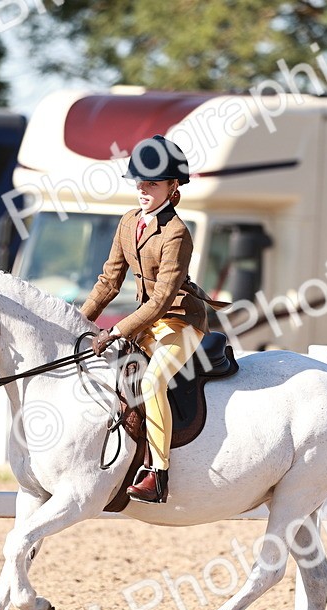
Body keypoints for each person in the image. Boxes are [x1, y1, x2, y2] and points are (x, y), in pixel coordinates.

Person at [82, 135, 210, 504]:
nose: (142, 189)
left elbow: (161, 300)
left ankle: (158, 473)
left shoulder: (177, 233)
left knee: (152, 381)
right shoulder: (127, 223)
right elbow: (109, 281)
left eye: (152, 183)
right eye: (139, 182)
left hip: (180, 322)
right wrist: (76, 322)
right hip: (146, 321)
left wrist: (118, 329)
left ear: (172, 187)